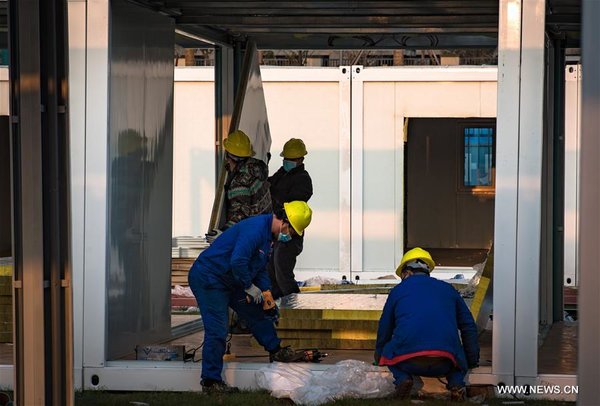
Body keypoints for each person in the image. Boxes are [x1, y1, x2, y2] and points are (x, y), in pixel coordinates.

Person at [188, 201, 313, 394]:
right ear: (284, 222)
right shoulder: (255, 230)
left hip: (231, 279)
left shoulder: (268, 237)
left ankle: (276, 350)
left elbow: (260, 268)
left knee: (258, 311)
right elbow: (238, 261)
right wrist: (248, 286)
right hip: (210, 278)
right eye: (292, 231)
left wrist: (266, 295)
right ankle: (211, 382)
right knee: (218, 329)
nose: (290, 236)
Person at [374, 247, 480, 401]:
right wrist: (471, 361)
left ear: (407, 272)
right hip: (445, 362)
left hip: (408, 362)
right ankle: (456, 384)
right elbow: (468, 326)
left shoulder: (397, 291)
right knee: (458, 361)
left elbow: (385, 328)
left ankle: (403, 379)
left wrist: (379, 356)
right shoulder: (449, 289)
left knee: (388, 351)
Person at [266, 138, 313, 299]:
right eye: (286, 159)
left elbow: (293, 203)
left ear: (301, 159)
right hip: (277, 228)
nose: (287, 162)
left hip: (290, 231)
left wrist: (277, 199)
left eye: (291, 159)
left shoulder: (303, 180)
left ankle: (294, 306)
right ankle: (279, 307)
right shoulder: (283, 173)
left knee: (282, 273)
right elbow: (270, 183)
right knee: (272, 270)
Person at [206, 130, 272, 242]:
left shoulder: (240, 182)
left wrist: (223, 233)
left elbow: (241, 213)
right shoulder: (257, 167)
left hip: (253, 235)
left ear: (228, 155)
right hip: (265, 228)